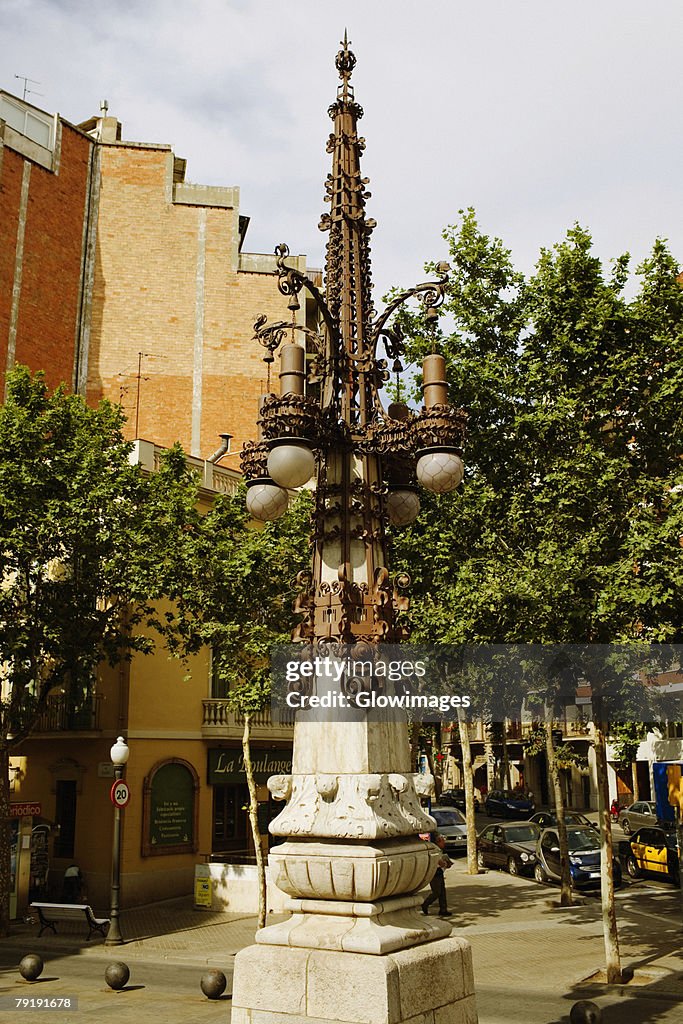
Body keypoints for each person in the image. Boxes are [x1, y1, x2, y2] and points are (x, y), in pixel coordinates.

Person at [421, 834, 452, 917]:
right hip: (435, 872)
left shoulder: (438, 849)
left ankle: (443, 909)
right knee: (437, 892)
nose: (444, 844)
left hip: (438, 871)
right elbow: (439, 862)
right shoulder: (435, 849)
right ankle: (425, 904)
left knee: (442, 891)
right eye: (443, 842)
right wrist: (446, 863)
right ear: (439, 841)